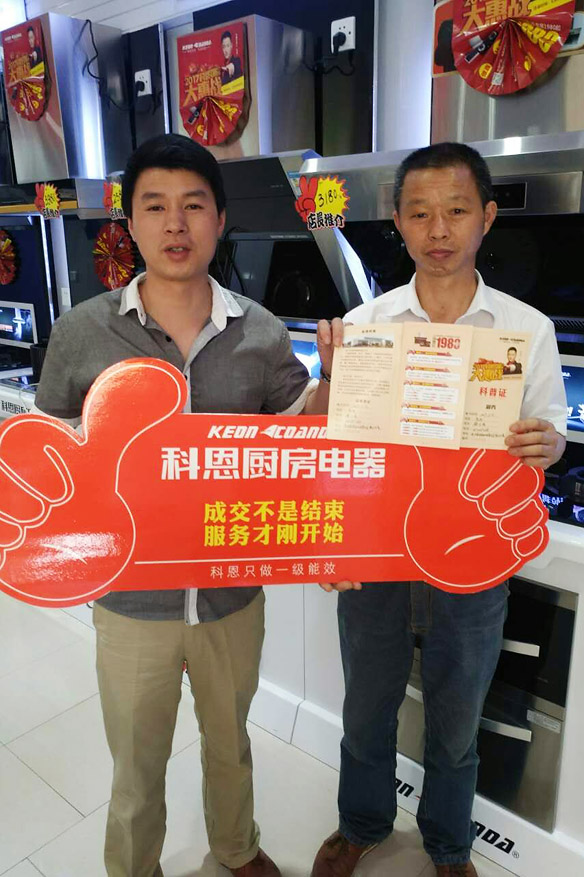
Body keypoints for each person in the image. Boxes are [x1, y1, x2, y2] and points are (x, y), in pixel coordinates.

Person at [32, 133, 330, 877]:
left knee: (231, 742)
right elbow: (50, 456)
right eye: (155, 206)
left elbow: (301, 439)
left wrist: (341, 381)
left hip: (233, 592)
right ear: (129, 223)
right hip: (132, 601)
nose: (175, 224)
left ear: (220, 220)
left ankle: (236, 848)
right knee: (137, 763)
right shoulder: (82, 331)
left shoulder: (261, 331)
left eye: (194, 206)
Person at [310, 142, 567, 877]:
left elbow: (549, 435)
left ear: (487, 217)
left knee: (458, 719)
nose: (439, 229)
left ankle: (449, 845)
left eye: (456, 210)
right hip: (379, 554)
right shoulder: (369, 323)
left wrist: (546, 441)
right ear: (398, 221)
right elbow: (338, 447)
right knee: (367, 707)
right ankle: (361, 823)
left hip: (473, 553)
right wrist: (329, 381)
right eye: (420, 213)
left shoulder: (525, 329)